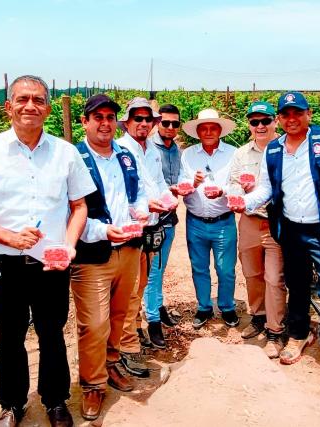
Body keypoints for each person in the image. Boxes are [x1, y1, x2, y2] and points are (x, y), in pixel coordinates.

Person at [0, 75, 94, 427]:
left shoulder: (65, 152)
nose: (31, 106)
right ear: (8, 106)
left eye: (39, 100)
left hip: (51, 265)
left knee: (51, 331)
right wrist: (8, 237)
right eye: (22, 99)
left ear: (48, 107)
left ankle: (55, 400)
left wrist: (69, 246)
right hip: (4, 264)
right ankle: (12, 403)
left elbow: (79, 206)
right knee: (10, 334)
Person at [236, 92, 320, 371]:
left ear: (309, 114)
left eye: (297, 113)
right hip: (291, 229)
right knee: (297, 285)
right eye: (286, 114)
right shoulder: (274, 149)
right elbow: (268, 188)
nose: (291, 119)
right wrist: (242, 202)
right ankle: (298, 334)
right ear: (280, 119)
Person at [71, 94, 150, 421]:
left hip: (129, 247)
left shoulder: (125, 154)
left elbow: (140, 193)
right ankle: (92, 384)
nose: (105, 123)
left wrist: (141, 212)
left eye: (109, 117)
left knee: (120, 313)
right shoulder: (73, 158)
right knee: (93, 323)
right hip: (93, 253)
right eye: (97, 117)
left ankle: (112, 361)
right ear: (85, 122)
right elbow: (69, 211)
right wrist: (105, 231)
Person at [115, 97, 176, 376]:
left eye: (147, 119)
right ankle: (125, 348)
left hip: (151, 225)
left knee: (142, 284)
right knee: (127, 292)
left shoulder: (150, 148)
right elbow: (117, 196)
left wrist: (168, 199)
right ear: (126, 122)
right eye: (136, 119)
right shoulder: (120, 150)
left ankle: (133, 333)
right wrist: (144, 207)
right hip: (129, 230)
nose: (142, 124)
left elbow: (159, 182)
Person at [227, 101, 287, 358]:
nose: (260, 126)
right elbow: (232, 183)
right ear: (249, 125)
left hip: (276, 222)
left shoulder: (286, 148)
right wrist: (238, 196)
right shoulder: (242, 154)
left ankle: (276, 329)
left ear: (275, 122)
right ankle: (258, 317)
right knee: (252, 273)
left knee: (274, 278)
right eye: (255, 122)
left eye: (265, 121)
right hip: (250, 220)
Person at [179, 108, 239, 329]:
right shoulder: (188, 155)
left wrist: (223, 191)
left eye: (213, 127)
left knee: (225, 268)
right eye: (203, 128)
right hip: (195, 221)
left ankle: (227, 306)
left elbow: (238, 183)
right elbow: (181, 183)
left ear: (220, 130)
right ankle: (204, 306)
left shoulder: (234, 153)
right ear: (197, 132)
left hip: (223, 220)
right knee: (199, 267)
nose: (208, 131)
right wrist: (192, 183)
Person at [145, 103, 184, 343]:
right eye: (165, 123)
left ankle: (158, 307)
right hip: (153, 219)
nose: (170, 127)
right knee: (152, 272)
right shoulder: (150, 149)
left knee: (160, 269)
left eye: (175, 123)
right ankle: (152, 320)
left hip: (170, 217)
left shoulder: (176, 150)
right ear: (158, 123)